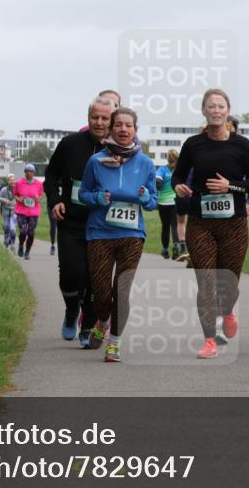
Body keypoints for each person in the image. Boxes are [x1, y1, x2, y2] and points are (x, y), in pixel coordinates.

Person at [172, 88, 249, 359]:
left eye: (221, 106)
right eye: (211, 106)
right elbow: (177, 177)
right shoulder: (193, 144)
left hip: (233, 224)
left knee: (228, 283)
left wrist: (230, 186)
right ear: (204, 111)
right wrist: (179, 188)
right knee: (206, 282)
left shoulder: (241, 145)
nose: (216, 111)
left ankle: (228, 309)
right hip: (201, 223)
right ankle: (209, 339)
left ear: (227, 111)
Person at [78, 107, 157, 359]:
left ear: (135, 130)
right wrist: (97, 198)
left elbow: (154, 201)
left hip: (132, 235)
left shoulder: (145, 163)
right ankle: (102, 320)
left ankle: (114, 342)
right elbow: (83, 194)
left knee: (121, 290)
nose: (124, 129)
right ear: (111, 128)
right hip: (100, 232)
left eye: (129, 125)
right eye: (119, 125)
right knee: (101, 293)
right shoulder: (96, 161)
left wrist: (146, 198)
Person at [45, 96, 112, 346]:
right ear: (88, 118)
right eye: (95, 117)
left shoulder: (117, 150)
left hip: (103, 224)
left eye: (105, 118)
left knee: (97, 279)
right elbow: (50, 176)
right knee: (71, 274)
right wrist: (55, 200)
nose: (99, 122)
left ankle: (87, 327)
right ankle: (72, 310)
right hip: (71, 220)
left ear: (111, 120)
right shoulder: (69, 144)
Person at [14, 165, 43, 259]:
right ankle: (21, 245)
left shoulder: (38, 183)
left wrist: (38, 199)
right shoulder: (19, 183)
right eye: (27, 171)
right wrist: (19, 199)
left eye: (31, 171)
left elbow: (41, 194)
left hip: (33, 211)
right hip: (21, 210)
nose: (29, 173)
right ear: (25, 172)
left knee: (31, 232)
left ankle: (27, 251)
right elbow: (15, 194)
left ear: (34, 172)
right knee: (22, 231)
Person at [155, 149, 179, 259]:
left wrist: (159, 186)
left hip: (162, 202)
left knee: (165, 227)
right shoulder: (179, 170)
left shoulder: (162, 169)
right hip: (175, 201)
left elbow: (158, 181)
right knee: (175, 225)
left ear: (168, 158)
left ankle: (165, 250)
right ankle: (176, 246)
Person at [0, 174, 18, 249]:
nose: (12, 181)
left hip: (14, 212)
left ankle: (12, 243)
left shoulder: (18, 189)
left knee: (12, 229)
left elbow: (22, 197)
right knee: (6, 227)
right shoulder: (4, 189)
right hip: (5, 212)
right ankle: (6, 239)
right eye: (10, 180)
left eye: (13, 180)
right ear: (8, 181)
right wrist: (5, 200)